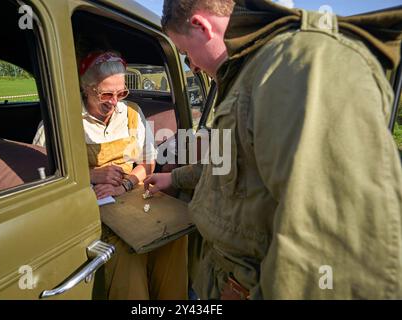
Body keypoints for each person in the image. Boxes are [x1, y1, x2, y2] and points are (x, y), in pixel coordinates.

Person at [144, 0, 402, 299]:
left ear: (202, 26)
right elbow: (230, 162)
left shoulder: (299, 64)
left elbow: (332, 248)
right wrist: (173, 179)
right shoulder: (253, 74)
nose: (194, 66)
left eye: (187, 54)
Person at [34, 50, 188, 300]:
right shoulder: (61, 119)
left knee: (174, 237)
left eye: (121, 93)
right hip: (86, 204)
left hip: (132, 195)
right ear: (86, 88)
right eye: (106, 93)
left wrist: (125, 184)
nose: (114, 102)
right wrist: (92, 175)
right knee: (125, 250)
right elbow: (42, 176)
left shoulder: (132, 113)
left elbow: (148, 163)